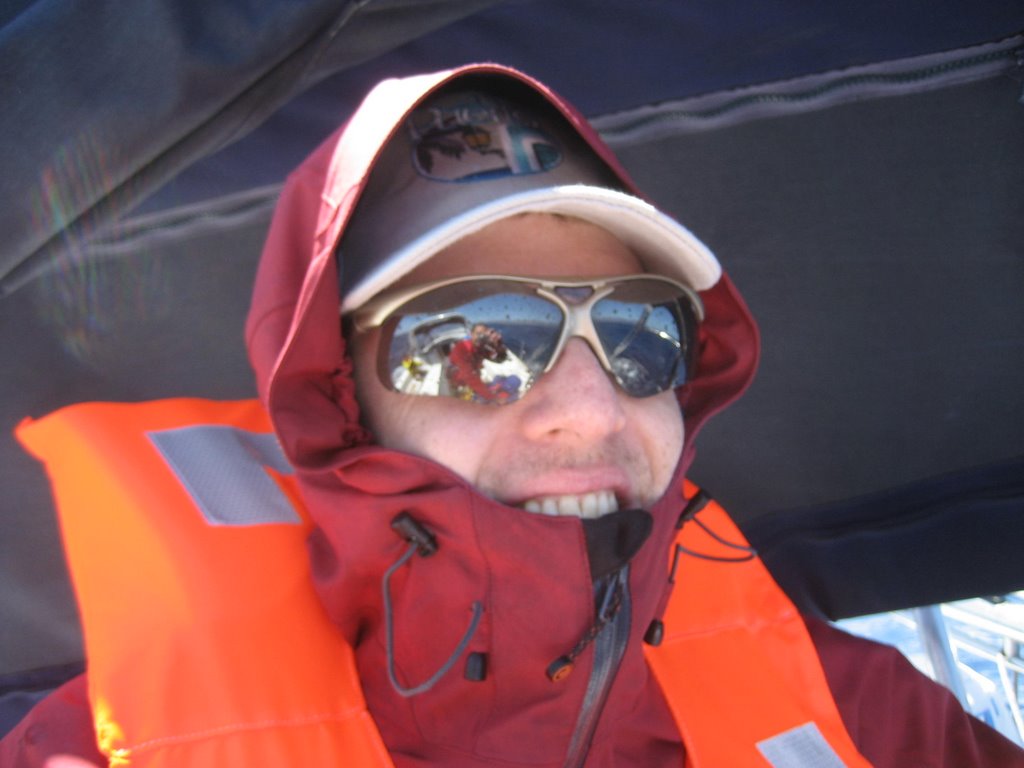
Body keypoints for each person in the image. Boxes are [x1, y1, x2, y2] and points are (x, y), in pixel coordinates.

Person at [3, 64, 1023, 768]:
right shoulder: (94, 749)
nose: (589, 409)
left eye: (640, 334)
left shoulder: (868, 715)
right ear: (341, 398)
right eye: (475, 343)